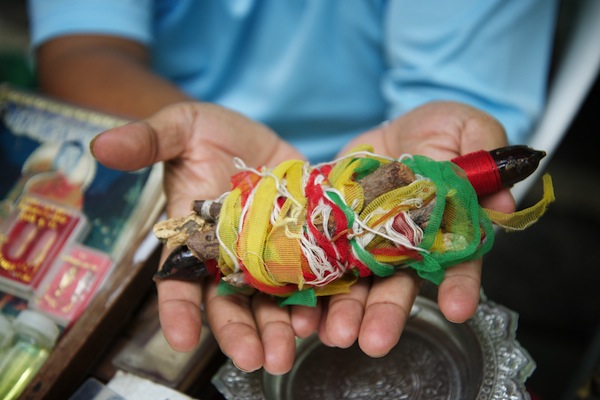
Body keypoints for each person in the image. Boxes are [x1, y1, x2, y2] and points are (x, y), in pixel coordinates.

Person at [27, 1, 558, 375]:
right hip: (211, 154)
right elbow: (81, 46)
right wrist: (187, 137)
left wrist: (410, 166)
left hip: (382, 144)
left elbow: (459, 79)